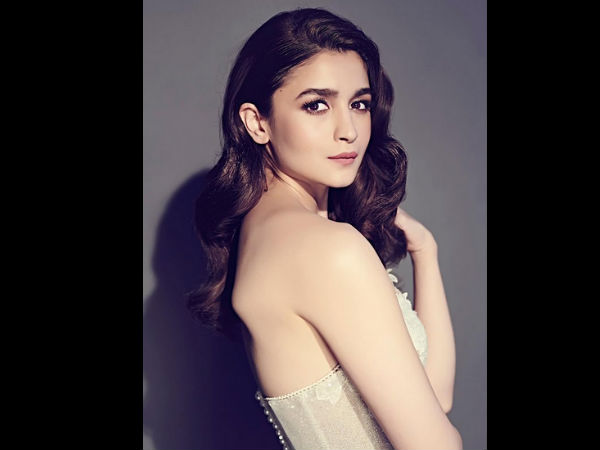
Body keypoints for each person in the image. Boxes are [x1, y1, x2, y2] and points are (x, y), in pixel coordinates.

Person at [187, 7, 462, 450]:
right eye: (316, 105)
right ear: (257, 123)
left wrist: (424, 251)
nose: (348, 130)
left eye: (359, 104)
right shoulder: (327, 249)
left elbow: (437, 397)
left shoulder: (269, 233)